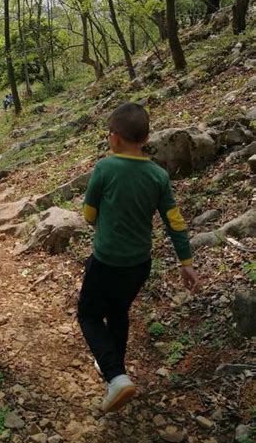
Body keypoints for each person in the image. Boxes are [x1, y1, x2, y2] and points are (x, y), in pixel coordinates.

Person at [79, 103, 199, 414]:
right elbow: (174, 220)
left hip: (105, 261)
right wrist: (186, 262)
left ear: (114, 137)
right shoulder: (158, 175)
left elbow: (89, 215)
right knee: (118, 313)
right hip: (138, 266)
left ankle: (116, 376)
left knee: (89, 316)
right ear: (146, 137)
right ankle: (115, 375)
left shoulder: (105, 169)